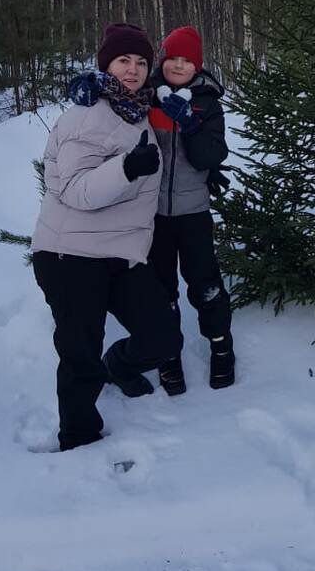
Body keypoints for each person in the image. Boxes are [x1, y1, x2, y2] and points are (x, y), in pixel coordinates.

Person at [31, 23, 183, 451]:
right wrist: (127, 168)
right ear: (106, 65)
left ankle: (116, 364)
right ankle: (78, 442)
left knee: (163, 338)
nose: (133, 70)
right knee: (80, 354)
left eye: (140, 62)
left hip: (119, 254)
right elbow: (77, 190)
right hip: (69, 255)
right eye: (123, 61)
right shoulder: (86, 116)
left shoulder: (136, 112)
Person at [147, 25, 233, 394]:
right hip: (151, 214)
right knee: (160, 289)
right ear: (163, 61)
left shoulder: (207, 103)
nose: (179, 65)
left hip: (193, 211)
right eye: (172, 58)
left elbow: (210, 157)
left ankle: (221, 346)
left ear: (197, 66)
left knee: (205, 284)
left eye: (187, 60)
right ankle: (168, 356)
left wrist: (192, 124)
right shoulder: (146, 98)